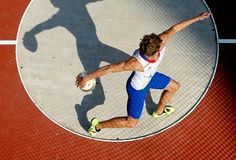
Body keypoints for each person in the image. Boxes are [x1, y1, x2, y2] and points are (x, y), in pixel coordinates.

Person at [75, 11, 211, 136]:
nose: (162, 45)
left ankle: (159, 112)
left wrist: (198, 18)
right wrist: (86, 77)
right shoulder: (135, 63)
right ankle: (97, 125)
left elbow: (174, 28)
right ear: (153, 51)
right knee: (131, 123)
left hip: (150, 77)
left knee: (174, 86)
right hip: (137, 88)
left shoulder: (160, 41)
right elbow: (110, 68)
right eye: (159, 48)